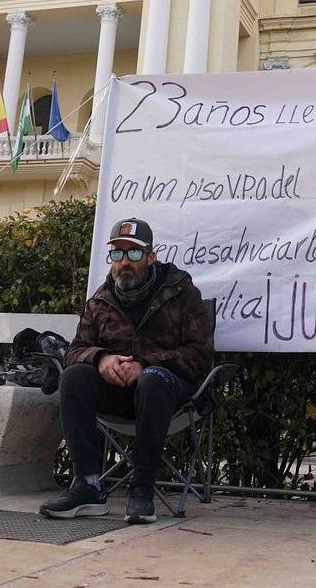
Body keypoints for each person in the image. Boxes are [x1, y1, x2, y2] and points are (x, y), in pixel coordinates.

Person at [40, 217, 214, 524]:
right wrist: (101, 359)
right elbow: (75, 350)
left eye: (133, 254)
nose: (124, 262)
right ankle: (88, 485)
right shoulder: (100, 300)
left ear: (150, 256)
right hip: (117, 394)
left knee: (152, 381)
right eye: (117, 254)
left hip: (168, 391)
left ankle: (142, 490)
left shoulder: (180, 291)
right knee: (74, 376)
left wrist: (145, 364)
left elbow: (200, 355)